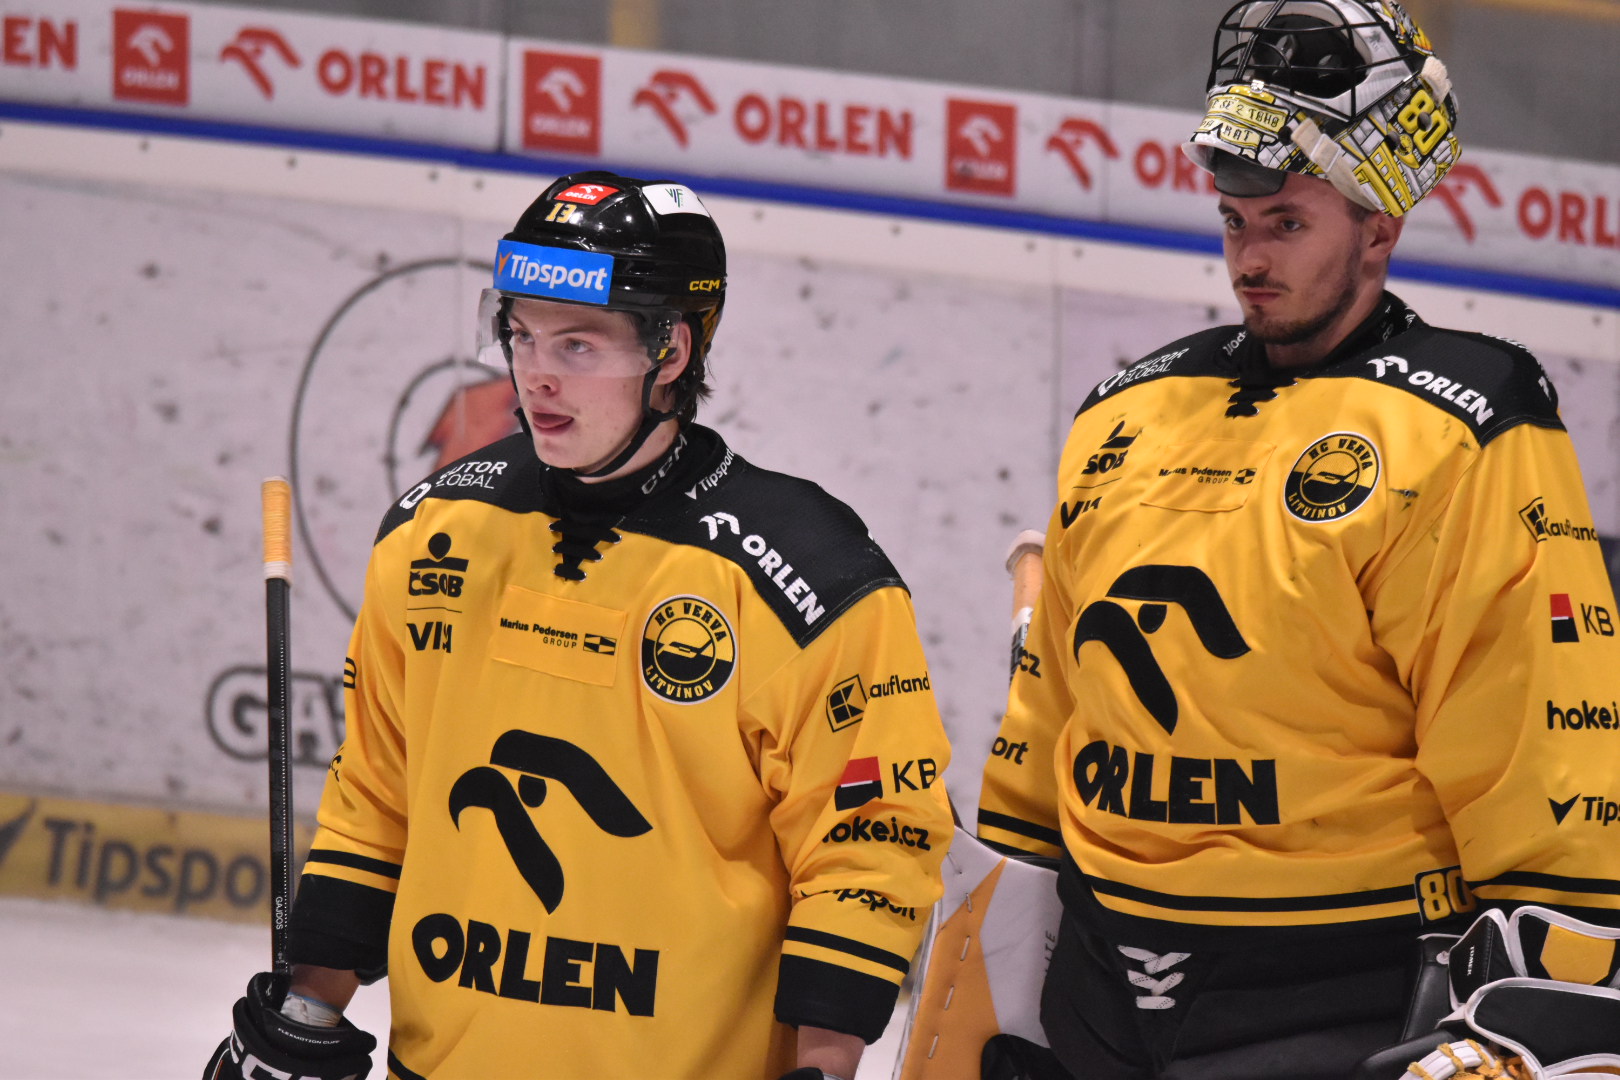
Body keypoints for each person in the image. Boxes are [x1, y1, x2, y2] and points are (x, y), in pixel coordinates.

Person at [976, 2, 1620, 1077]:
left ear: (1379, 227)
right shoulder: (1128, 409)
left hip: (1330, 991)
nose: (1250, 257)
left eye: (1287, 223)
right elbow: (1052, 694)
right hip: (1095, 985)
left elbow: (1532, 722)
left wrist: (1557, 988)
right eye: (1235, 223)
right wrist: (996, 905)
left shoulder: (1468, 422)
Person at [206, 171, 954, 1080]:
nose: (536, 374)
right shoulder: (435, 530)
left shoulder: (809, 571)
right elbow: (377, 796)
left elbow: (867, 843)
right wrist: (306, 1010)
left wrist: (823, 1069)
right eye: (521, 334)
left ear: (671, 351)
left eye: (578, 344)